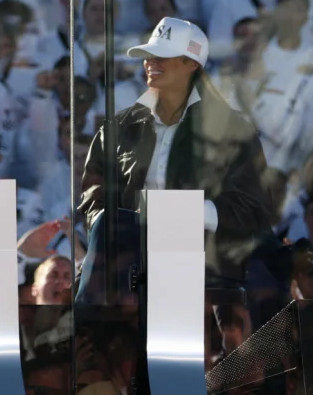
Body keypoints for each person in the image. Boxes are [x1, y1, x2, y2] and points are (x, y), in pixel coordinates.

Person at [79, 17, 271, 296]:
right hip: (128, 270)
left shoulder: (232, 130)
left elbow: (255, 208)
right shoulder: (117, 129)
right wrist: (116, 228)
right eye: (148, 55)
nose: (151, 62)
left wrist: (187, 213)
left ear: (192, 64)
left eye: (163, 56)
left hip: (201, 267)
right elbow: (94, 198)